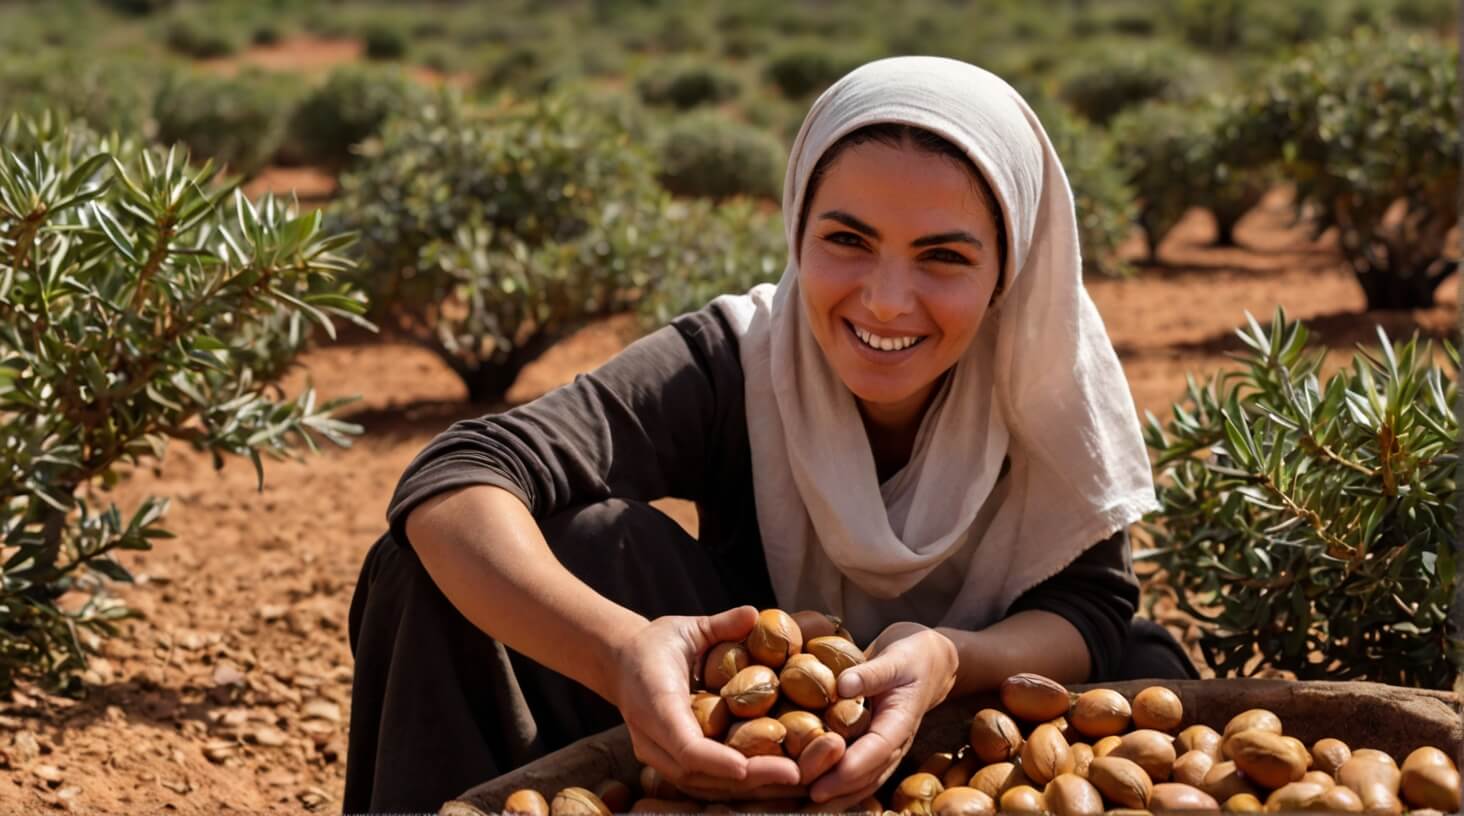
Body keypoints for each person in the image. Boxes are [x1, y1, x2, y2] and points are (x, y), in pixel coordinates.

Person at [343, 55, 1198, 815]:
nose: (887, 301)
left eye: (944, 256)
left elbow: (1090, 607)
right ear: (796, 229)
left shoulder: (1043, 374)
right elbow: (460, 473)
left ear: (1008, 268)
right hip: (751, 748)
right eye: (847, 240)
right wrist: (622, 657)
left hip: (984, 734)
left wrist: (948, 657)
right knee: (467, 560)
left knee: (1154, 695)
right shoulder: (739, 361)